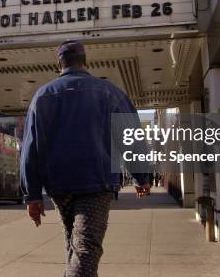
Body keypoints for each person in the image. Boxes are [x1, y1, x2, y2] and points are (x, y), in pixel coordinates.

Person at [20, 40, 151, 277]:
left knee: (76, 246)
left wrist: (32, 195)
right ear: (85, 62)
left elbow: (30, 148)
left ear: (59, 64)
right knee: (86, 248)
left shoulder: (42, 96)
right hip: (96, 183)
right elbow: (131, 137)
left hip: (58, 185)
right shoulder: (110, 92)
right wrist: (142, 177)